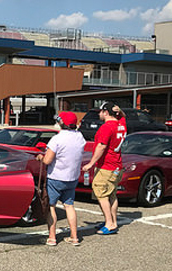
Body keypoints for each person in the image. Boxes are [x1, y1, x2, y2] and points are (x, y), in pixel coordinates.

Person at [37, 112, 86, 246]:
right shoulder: (80, 137)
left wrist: (40, 156)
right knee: (69, 205)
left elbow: (47, 160)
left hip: (56, 177)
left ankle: (52, 237)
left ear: (62, 122)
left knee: (51, 206)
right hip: (72, 178)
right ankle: (74, 237)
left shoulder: (57, 139)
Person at [82, 101, 126, 235]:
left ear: (106, 112)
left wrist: (91, 163)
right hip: (117, 165)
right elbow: (123, 116)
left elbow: (101, 146)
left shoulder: (107, 127)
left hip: (106, 166)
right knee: (111, 195)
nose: (99, 114)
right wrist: (120, 111)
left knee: (101, 194)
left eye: (101, 112)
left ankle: (109, 223)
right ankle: (113, 221)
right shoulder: (121, 124)